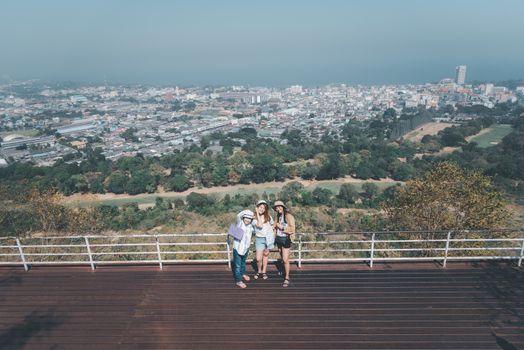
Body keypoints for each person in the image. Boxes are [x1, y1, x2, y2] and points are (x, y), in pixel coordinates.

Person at [273, 200, 296, 287]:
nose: (278, 209)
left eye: (279, 207)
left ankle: (286, 277)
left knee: (286, 259)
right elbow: (274, 226)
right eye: (276, 207)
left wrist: (282, 228)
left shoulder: (289, 216)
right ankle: (283, 270)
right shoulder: (278, 216)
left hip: (286, 239)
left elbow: (292, 229)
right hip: (278, 239)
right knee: (282, 257)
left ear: (283, 207)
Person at [232, 209, 255, 289]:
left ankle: (242, 274)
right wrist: (247, 211)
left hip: (245, 248)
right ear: (243, 217)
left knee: (243, 263)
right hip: (237, 248)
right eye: (246, 217)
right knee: (237, 265)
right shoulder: (240, 223)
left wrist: (253, 216)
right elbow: (238, 215)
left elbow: (256, 224)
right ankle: (238, 281)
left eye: (249, 218)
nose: (247, 220)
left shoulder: (251, 226)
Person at [253, 200, 274, 280]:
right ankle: (259, 271)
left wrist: (273, 235)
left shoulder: (268, 217)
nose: (262, 209)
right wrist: (257, 213)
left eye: (264, 208)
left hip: (268, 238)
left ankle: (264, 271)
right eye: (260, 207)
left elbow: (272, 225)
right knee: (258, 258)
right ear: (257, 207)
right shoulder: (254, 218)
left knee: (265, 255)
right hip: (259, 239)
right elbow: (260, 226)